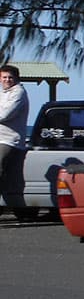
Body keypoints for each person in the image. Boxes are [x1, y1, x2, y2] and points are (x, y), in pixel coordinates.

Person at [0, 64, 30, 209]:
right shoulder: (3, 93)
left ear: (16, 78)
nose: (7, 80)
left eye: (10, 77)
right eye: (4, 77)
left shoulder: (19, 93)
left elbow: (5, 115)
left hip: (9, 140)